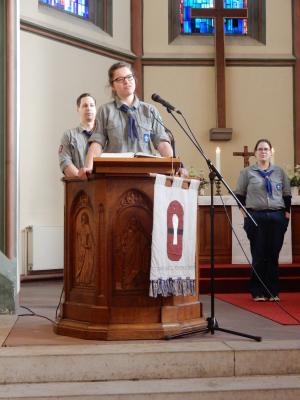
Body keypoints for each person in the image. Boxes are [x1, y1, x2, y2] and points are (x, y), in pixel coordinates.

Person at [82, 61, 173, 175]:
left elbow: (162, 142)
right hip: (114, 174)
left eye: (129, 77)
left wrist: (174, 167)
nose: (126, 81)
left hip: (146, 174)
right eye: (120, 79)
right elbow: (97, 143)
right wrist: (88, 168)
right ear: (112, 86)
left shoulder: (150, 110)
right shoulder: (105, 110)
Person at [235, 139, 291, 302]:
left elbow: (287, 194)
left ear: (271, 152)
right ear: (255, 153)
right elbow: (239, 194)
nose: (263, 152)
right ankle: (257, 291)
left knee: (273, 254)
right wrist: (244, 213)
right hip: (256, 216)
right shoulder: (247, 172)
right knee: (258, 254)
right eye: (260, 149)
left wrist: (286, 213)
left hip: (276, 217)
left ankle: (272, 291)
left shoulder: (279, 172)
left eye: (266, 149)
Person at [58, 93, 98, 178]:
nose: (89, 108)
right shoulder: (69, 135)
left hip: (103, 185)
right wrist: (82, 177)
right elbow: (65, 162)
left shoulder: (105, 135)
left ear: (96, 109)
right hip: (79, 186)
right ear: (78, 109)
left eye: (92, 105)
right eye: (85, 106)